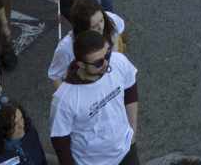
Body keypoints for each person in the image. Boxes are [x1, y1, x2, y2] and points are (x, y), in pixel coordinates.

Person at [49, 28, 139, 165]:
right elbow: (60, 140)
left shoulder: (118, 61)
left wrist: (132, 130)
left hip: (126, 151)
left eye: (107, 55)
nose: (105, 64)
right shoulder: (64, 100)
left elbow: (130, 86)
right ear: (80, 64)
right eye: (98, 63)